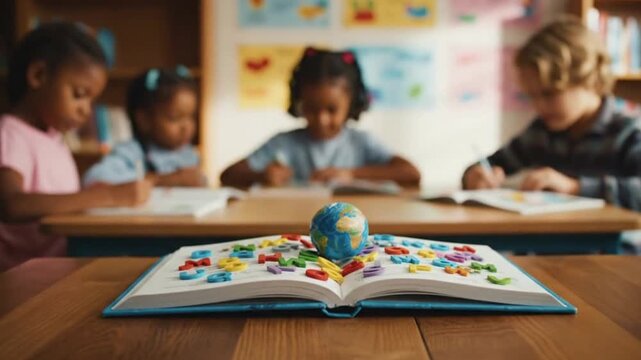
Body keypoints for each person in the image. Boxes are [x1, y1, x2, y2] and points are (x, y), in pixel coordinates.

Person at [0, 22, 152, 271]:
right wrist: (108, 196)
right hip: (21, 274)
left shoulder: (53, 138)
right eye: (79, 94)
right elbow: (11, 204)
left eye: (92, 100)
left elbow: (57, 198)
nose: (86, 110)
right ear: (38, 75)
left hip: (55, 263)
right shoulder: (11, 133)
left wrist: (94, 193)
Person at [462, 17, 641, 211]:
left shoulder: (629, 133)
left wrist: (575, 187)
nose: (539, 106)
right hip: (556, 237)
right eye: (532, 96)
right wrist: (474, 176)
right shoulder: (542, 132)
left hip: (615, 241)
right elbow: (492, 164)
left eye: (549, 94)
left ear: (589, 79)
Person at [220, 47, 421, 188]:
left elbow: (411, 174)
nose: (321, 119)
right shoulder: (284, 143)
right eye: (311, 108)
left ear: (350, 103)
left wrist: (351, 174)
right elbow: (228, 175)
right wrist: (263, 175)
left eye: (332, 110)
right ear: (300, 102)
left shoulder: (361, 143)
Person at [84, 66, 204, 187]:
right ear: (144, 120)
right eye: (175, 118)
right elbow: (94, 177)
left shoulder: (188, 154)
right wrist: (162, 180)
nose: (186, 127)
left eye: (191, 116)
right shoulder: (132, 152)